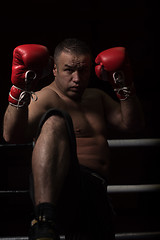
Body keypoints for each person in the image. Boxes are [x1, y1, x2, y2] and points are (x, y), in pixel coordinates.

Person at [3, 39, 144, 240]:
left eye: (83, 70)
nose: (77, 78)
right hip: (63, 187)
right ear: (54, 69)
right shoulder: (46, 97)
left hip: (96, 191)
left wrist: (123, 84)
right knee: (55, 121)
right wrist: (19, 89)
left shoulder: (97, 97)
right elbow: (11, 135)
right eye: (68, 70)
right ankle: (43, 219)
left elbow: (132, 124)